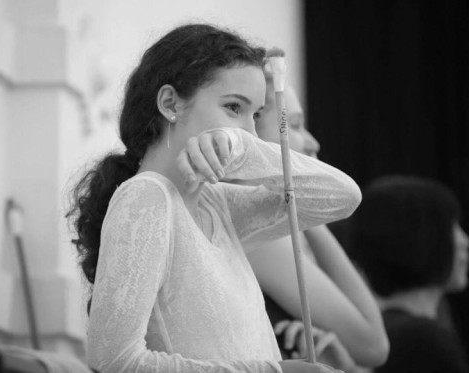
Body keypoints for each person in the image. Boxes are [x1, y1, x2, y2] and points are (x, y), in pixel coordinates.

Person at [67, 23, 362, 373]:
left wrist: (242, 149)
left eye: (255, 115)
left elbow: (342, 197)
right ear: (170, 103)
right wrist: (277, 372)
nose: (251, 132)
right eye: (234, 108)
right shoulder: (146, 196)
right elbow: (113, 359)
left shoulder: (219, 204)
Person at [247, 76, 389, 372]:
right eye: (295, 125)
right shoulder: (258, 232)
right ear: (255, 134)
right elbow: (373, 346)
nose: (313, 143)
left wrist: (303, 202)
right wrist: (304, 203)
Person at [346, 175, 469, 373]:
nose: (465, 241)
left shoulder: (389, 332)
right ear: (424, 239)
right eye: (453, 227)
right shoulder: (423, 340)